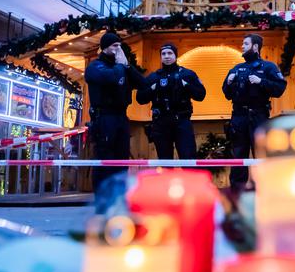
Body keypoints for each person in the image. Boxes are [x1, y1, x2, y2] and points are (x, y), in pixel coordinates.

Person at [223, 34, 286, 191]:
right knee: (238, 156)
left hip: (259, 116)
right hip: (238, 117)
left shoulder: (268, 67)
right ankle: (237, 194)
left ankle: (265, 191)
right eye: (242, 43)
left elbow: (280, 88)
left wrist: (261, 81)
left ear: (255, 47)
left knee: (261, 155)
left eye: (246, 43)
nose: (242, 46)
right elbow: (227, 94)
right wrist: (228, 83)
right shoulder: (236, 69)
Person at [84, 32, 144, 196]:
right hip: (104, 117)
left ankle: (119, 195)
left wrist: (128, 66)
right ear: (104, 48)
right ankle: (102, 195)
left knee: (121, 157)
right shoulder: (95, 66)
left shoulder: (121, 66)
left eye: (120, 46)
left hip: (121, 117)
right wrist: (120, 66)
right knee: (105, 156)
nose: (119, 49)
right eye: (115, 46)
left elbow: (142, 83)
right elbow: (110, 77)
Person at [136, 43, 206, 160]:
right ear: (160, 57)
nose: (166, 56)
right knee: (165, 161)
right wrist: (152, 89)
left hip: (182, 121)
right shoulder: (153, 77)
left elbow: (201, 95)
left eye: (170, 53)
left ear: (175, 55)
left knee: (188, 158)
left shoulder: (187, 74)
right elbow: (140, 99)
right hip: (161, 123)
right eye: (163, 54)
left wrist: (186, 85)